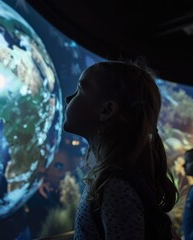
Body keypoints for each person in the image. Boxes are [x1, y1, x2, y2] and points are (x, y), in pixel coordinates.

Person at [63, 60, 178, 239]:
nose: (68, 98)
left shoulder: (114, 187)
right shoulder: (116, 179)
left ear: (106, 110)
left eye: (80, 90)